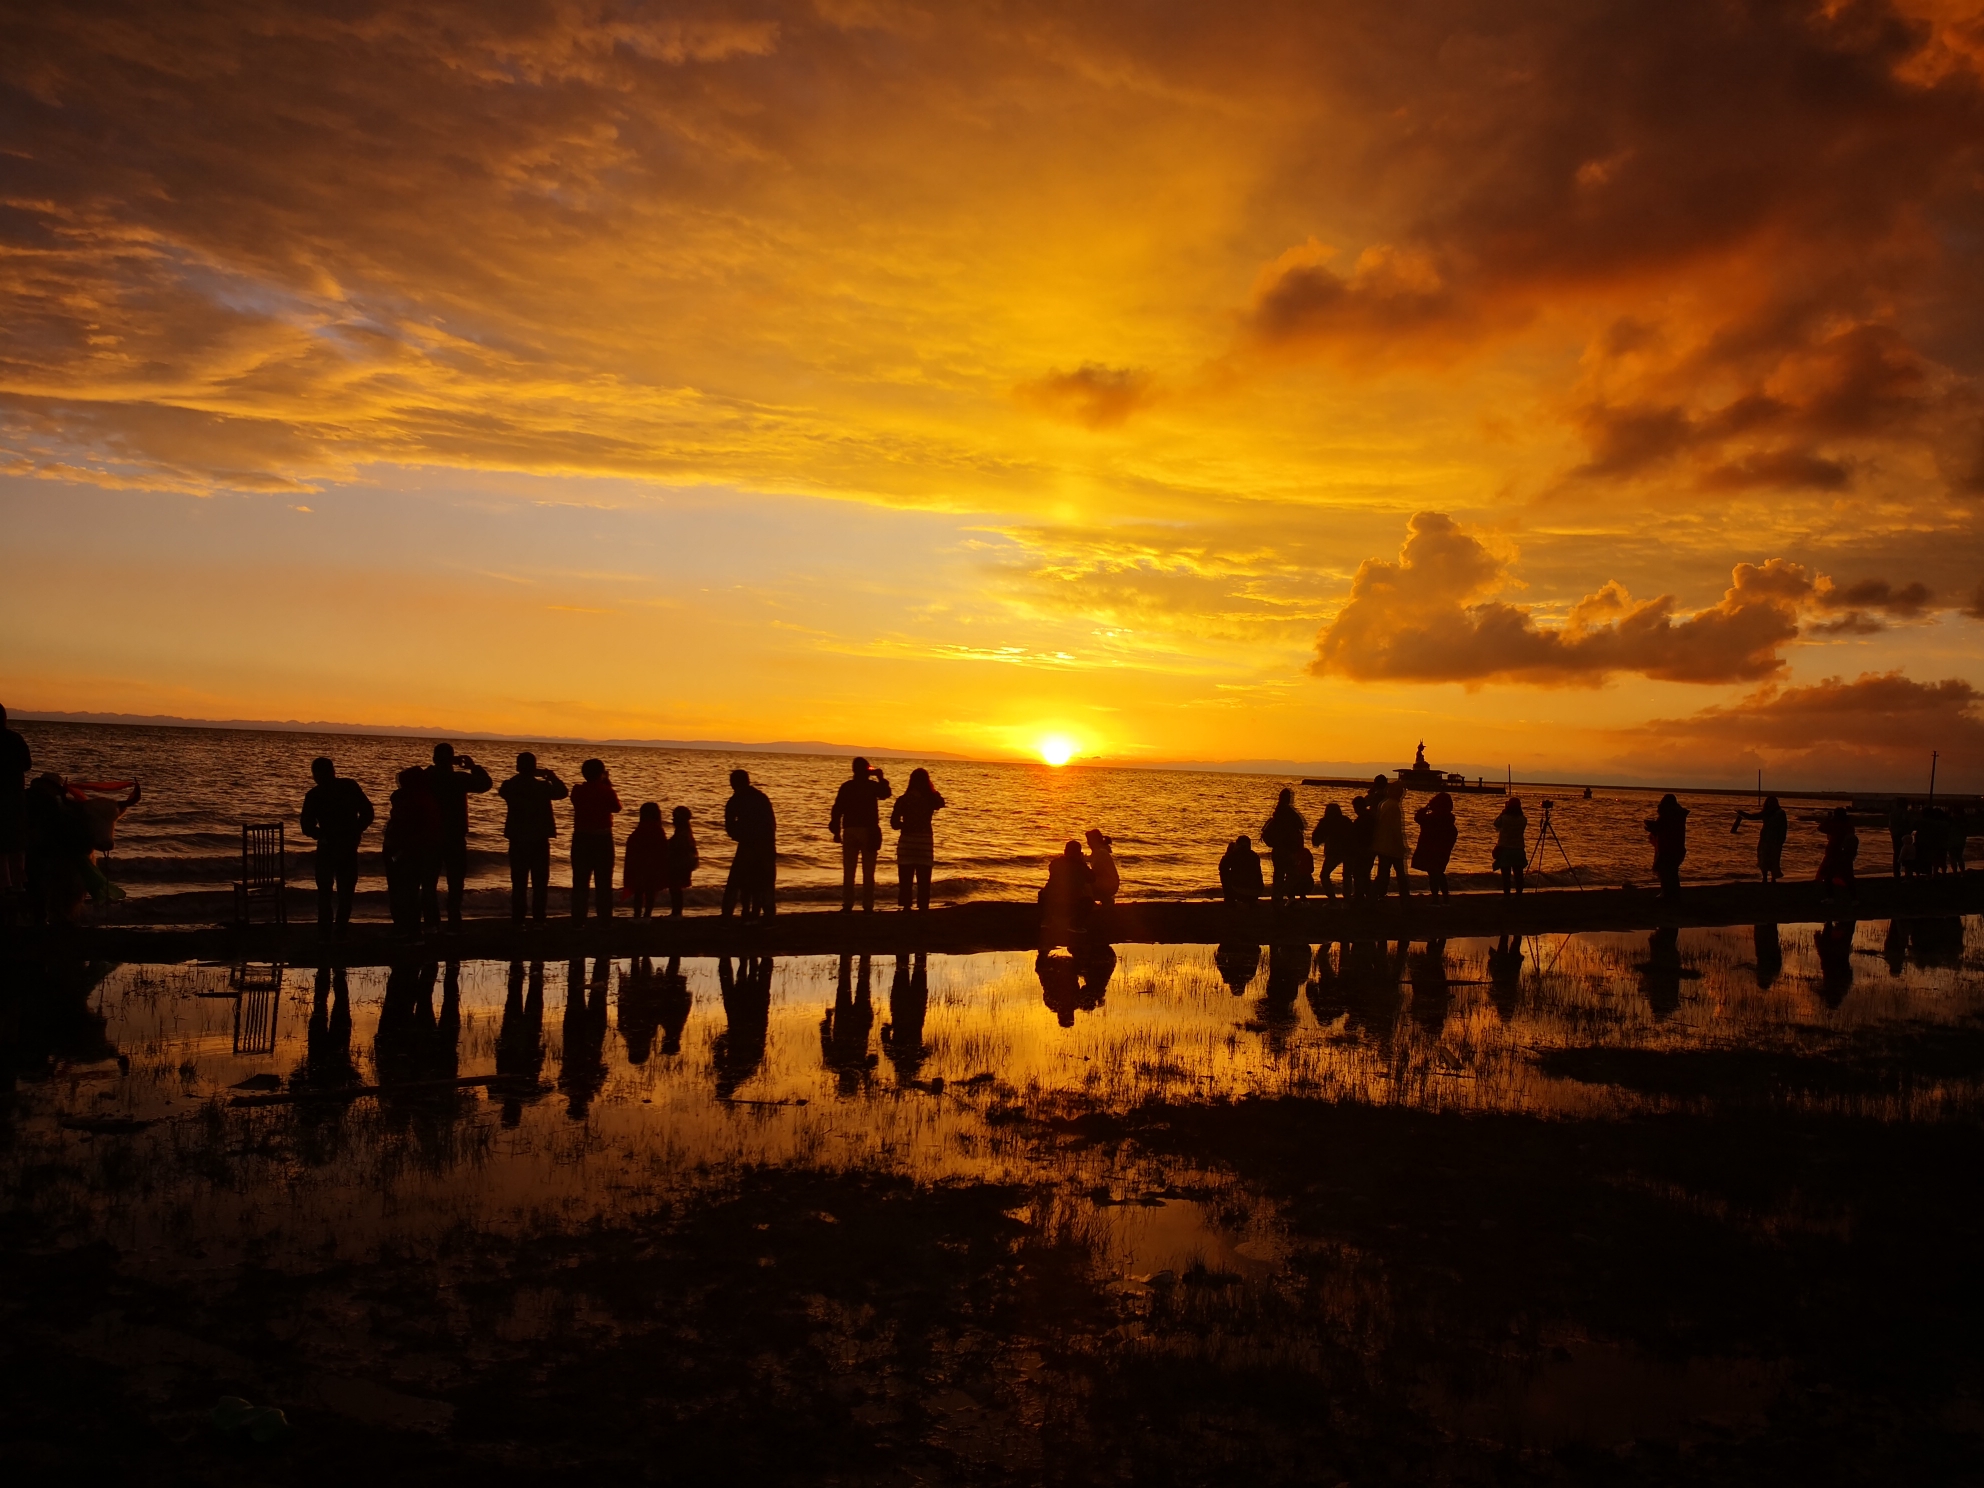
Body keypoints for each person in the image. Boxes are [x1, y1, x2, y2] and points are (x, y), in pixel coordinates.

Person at [300, 756, 374, 937]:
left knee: (327, 891)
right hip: (344, 845)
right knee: (344, 891)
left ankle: (327, 930)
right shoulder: (348, 786)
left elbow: (306, 825)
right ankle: (339, 929)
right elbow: (368, 812)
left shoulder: (316, 794)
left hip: (331, 846)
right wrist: (356, 830)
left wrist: (322, 835)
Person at [424, 743, 492, 928]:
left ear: (434, 759)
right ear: (451, 760)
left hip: (431, 836)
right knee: (455, 881)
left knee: (429, 882)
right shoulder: (459, 779)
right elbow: (486, 783)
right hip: (454, 835)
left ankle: (432, 922)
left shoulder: (427, 777)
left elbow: (404, 780)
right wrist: (473, 767)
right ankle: (454, 919)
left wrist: (435, 766)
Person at [497, 752, 568, 927]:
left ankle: (518, 919)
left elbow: (503, 790)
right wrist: (551, 776)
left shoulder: (510, 786)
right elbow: (563, 792)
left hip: (518, 839)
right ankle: (539, 918)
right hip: (539, 839)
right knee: (540, 882)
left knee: (519, 882)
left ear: (518, 767)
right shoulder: (543, 787)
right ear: (534, 768)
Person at [382, 766, 443, 935]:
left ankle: (410, 929)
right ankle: (414, 927)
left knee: (407, 892)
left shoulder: (417, 801)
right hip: (410, 851)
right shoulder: (424, 799)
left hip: (408, 852)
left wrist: (401, 851)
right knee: (410, 891)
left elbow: (414, 831)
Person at [829, 756, 893, 913]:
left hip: (850, 830)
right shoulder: (871, 786)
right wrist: (881, 778)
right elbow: (886, 794)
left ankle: (848, 904)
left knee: (849, 870)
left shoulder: (847, 787)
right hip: (868, 830)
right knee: (868, 871)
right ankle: (868, 905)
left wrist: (836, 830)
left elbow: (837, 810)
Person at [569, 758, 621, 922]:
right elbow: (616, 807)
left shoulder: (577, 790)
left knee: (580, 882)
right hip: (602, 838)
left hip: (581, 837)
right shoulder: (606, 790)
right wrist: (607, 783)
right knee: (604, 882)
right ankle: (604, 920)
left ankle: (578, 920)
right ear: (601, 774)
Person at [722, 768, 778, 918]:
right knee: (764, 881)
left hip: (748, 844)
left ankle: (732, 914)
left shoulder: (736, 800)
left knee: (739, 881)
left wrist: (739, 836)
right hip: (766, 843)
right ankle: (767, 915)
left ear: (733, 783)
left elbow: (729, 825)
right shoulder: (761, 797)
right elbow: (771, 822)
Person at [889, 768, 946, 911]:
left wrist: (906, 825)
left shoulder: (903, 800)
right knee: (924, 880)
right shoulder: (930, 799)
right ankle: (923, 907)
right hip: (924, 843)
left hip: (907, 842)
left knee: (905, 880)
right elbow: (941, 802)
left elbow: (894, 824)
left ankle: (906, 906)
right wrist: (932, 789)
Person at [0, 705, 30, 921]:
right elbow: (27, 765)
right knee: (16, 843)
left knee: (1, 847)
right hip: (16, 796)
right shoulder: (16, 739)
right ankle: (19, 884)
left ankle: (5, 886)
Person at [1039, 839, 1096, 943]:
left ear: (1065, 852)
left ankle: (1046, 920)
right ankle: (1075, 925)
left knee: (1043, 893)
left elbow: (1053, 869)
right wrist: (1082, 862)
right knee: (1088, 901)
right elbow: (1092, 878)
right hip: (1070, 905)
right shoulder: (1080, 867)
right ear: (1079, 854)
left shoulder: (1055, 863)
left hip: (1052, 903)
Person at [1260, 788, 1308, 908]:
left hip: (1277, 849)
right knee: (1293, 875)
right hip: (1287, 850)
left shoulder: (1277, 812)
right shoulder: (1289, 813)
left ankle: (1276, 896)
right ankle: (1280, 895)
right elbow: (1301, 826)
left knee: (1278, 874)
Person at [620, 802, 668, 918]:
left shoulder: (640, 829)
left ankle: (637, 915)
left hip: (639, 866)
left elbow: (632, 847)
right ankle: (647, 915)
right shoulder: (658, 830)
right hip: (653, 866)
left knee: (638, 892)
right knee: (650, 891)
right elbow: (663, 849)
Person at [1411, 791, 1458, 898]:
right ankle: (1445, 897)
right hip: (1443, 852)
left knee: (1434, 874)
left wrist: (1426, 807)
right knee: (1439, 873)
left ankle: (1436, 898)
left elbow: (1418, 817)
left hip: (1431, 851)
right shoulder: (1449, 821)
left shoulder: (1432, 819)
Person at [1732, 795, 1788, 883]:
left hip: (1775, 839)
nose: (1771, 803)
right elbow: (1753, 817)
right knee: (1763, 857)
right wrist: (1742, 813)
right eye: (1770, 801)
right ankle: (1764, 877)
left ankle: (1773, 878)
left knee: (1774, 859)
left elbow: (1784, 827)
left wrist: (1781, 839)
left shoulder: (1780, 813)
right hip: (1765, 838)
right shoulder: (1766, 812)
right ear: (1767, 802)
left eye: (1773, 801)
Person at [1645, 793, 1688, 900]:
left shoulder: (1668, 815)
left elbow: (1662, 828)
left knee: (1666, 872)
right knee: (1672, 872)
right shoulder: (1678, 815)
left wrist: (1651, 827)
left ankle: (1667, 893)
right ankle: (1673, 894)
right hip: (1677, 847)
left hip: (1667, 848)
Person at [1372, 780, 1409, 898]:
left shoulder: (1384, 804)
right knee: (1400, 875)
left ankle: (1378, 894)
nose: (1401, 793)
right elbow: (1395, 829)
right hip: (1392, 848)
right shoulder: (1394, 807)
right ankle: (1404, 896)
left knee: (1383, 873)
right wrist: (1401, 846)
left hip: (1382, 845)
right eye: (1400, 791)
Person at [1311, 801, 1352, 898]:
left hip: (1335, 852)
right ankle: (1347, 900)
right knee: (1347, 875)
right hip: (1349, 851)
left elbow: (1316, 839)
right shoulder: (1346, 820)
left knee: (1324, 875)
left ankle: (1332, 899)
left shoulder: (1327, 821)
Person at [1817, 806, 1859, 902]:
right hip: (1846, 854)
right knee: (1848, 877)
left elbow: (1821, 828)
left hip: (1835, 854)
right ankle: (1854, 898)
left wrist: (1829, 819)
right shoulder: (1849, 826)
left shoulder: (1836, 826)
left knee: (1828, 876)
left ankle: (1831, 897)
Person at [664, 805, 698, 917]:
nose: (673, 820)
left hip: (679, 864)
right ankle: (676, 913)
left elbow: (678, 846)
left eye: (675, 817)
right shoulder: (686, 831)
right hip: (682, 863)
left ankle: (676, 913)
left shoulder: (683, 833)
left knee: (675, 888)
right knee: (675, 888)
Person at [1492, 796, 1528, 894]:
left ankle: (1507, 895)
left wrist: (1503, 812)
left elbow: (1496, 824)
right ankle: (1519, 894)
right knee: (1518, 874)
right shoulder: (1523, 819)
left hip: (1505, 849)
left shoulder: (1504, 818)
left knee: (1506, 875)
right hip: (1518, 849)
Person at [1219, 834, 1264, 907]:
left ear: (1238, 845)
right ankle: (1251, 902)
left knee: (1224, 873)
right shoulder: (1255, 856)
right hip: (1256, 893)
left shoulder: (1234, 855)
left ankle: (1229, 899)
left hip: (1240, 893)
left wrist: (1228, 853)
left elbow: (1222, 867)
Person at [1085, 827, 1120, 906]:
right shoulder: (1099, 851)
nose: (1088, 843)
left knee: (1085, 884)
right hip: (1111, 882)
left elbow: (1096, 872)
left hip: (1108, 884)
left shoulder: (1100, 853)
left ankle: (1093, 903)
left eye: (1089, 841)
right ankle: (1105, 899)